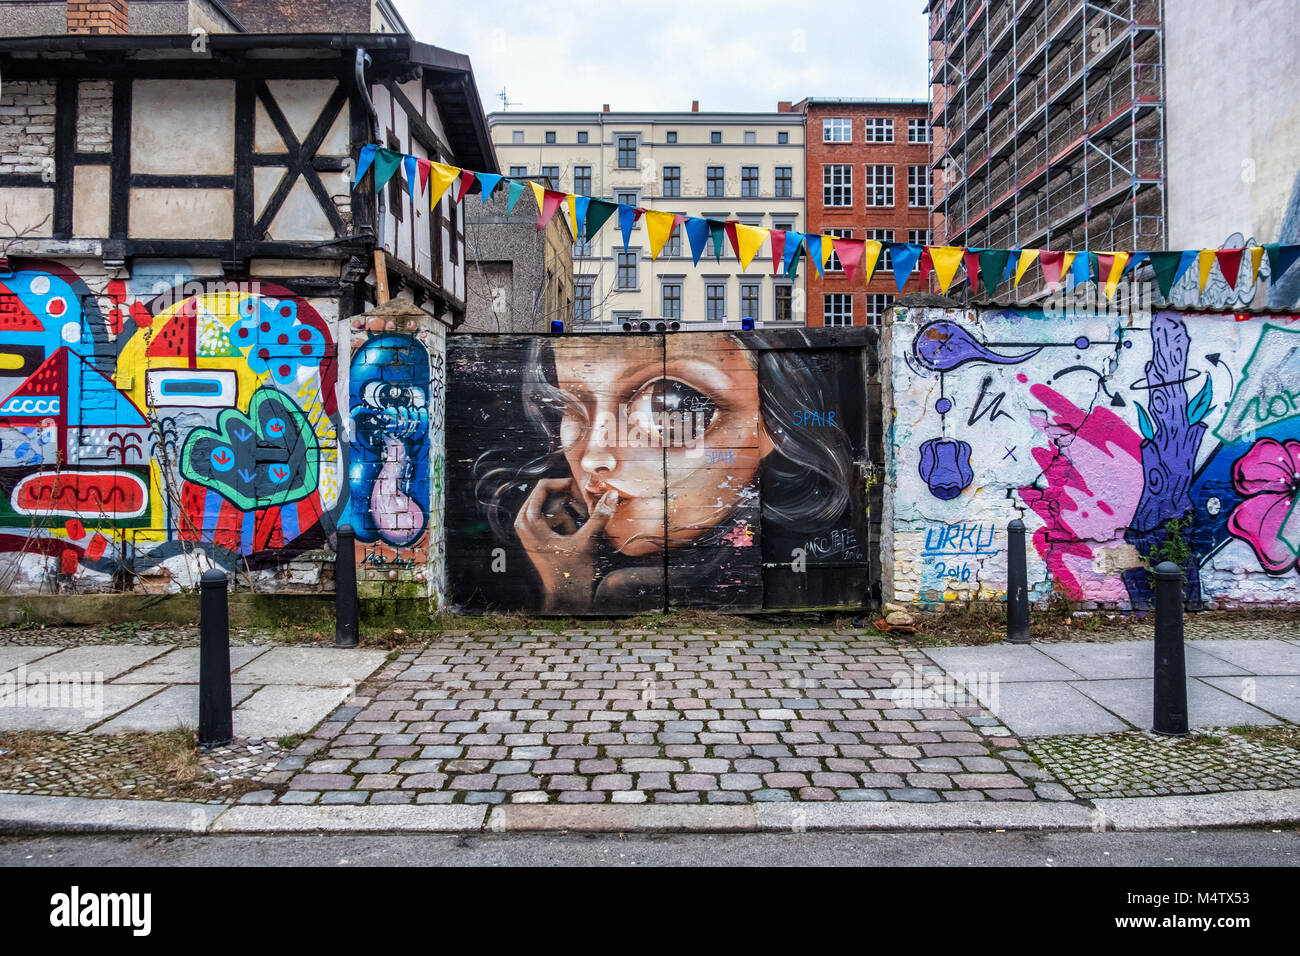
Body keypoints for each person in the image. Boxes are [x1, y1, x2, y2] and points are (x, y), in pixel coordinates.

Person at [468, 331, 856, 613]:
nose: (593, 458)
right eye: (570, 405)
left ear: (771, 428)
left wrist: (566, 596)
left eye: (671, 403)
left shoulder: (804, 575)